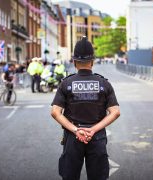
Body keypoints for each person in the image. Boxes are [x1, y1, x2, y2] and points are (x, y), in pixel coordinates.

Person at [51, 36, 120, 180]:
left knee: (70, 176)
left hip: (73, 137)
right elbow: (115, 112)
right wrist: (93, 129)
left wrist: (77, 130)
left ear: (74, 61)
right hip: (97, 137)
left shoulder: (66, 83)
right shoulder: (103, 83)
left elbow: (55, 112)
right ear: (92, 62)